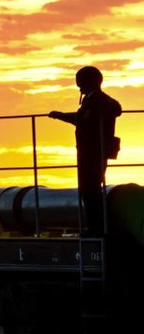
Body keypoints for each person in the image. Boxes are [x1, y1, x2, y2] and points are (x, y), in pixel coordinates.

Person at [49, 66, 122, 236]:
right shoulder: (100, 100)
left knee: (89, 191)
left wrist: (58, 115)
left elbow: (81, 119)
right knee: (91, 190)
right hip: (94, 152)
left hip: (91, 153)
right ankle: (99, 226)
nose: (79, 87)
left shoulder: (95, 101)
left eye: (80, 83)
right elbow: (114, 108)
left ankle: (98, 228)